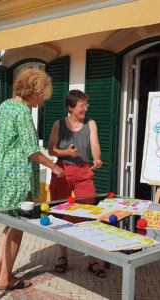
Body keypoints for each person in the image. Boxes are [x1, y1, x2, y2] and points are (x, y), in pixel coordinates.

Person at [0, 69, 64, 290]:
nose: (39, 102)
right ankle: (5, 280)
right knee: (18, 225)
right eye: (40, 96)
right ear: (33, 90)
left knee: (9, 223)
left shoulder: (5, 105)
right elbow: (30, 150)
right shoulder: (22, 111)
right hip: (18, 176)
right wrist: (54, 166)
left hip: (1, 171)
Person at [48, 90, 106, 278]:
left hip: (83, 171)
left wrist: (96, 158)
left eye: (85, 105)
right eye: (82, 105)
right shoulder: (58, 124)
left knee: (87, 213)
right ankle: (63, 256)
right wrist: (66, 153)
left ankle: (92, 260)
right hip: (62, 171)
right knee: (60, 212)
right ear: (70, 107)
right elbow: (51, 149)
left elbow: (95, 144)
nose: (85, 108)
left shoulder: (90, 123)